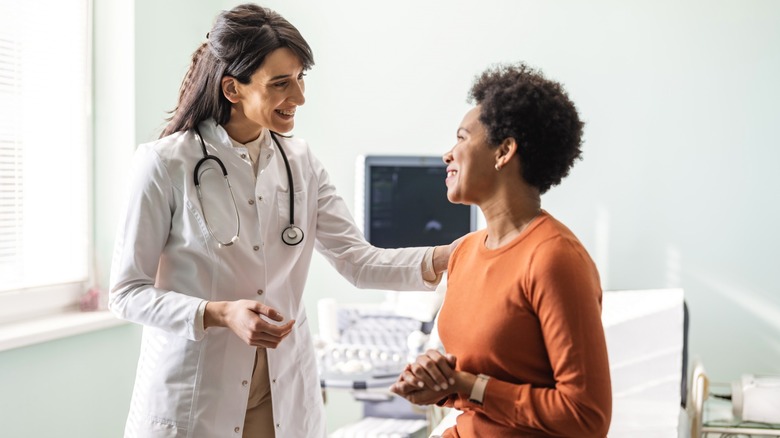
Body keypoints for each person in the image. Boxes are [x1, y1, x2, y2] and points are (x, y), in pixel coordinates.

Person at [108, 4, 455, 437]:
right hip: (198, 396)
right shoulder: (165, 164)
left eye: (300, 78)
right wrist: (219, 313)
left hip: (282, 394)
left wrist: (460, 255)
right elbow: (127, 293)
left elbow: (358, 261)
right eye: (280, 84)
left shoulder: (300, 162)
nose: (300, 97)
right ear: (232, 88)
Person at [390, 63, 612, 437]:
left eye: (461, 138)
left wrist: (465, 385)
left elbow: (586, 417)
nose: (447, 154)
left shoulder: (555, 258)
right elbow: (479, 380)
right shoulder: (465, 253)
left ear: (504, 151)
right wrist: (439, 383)